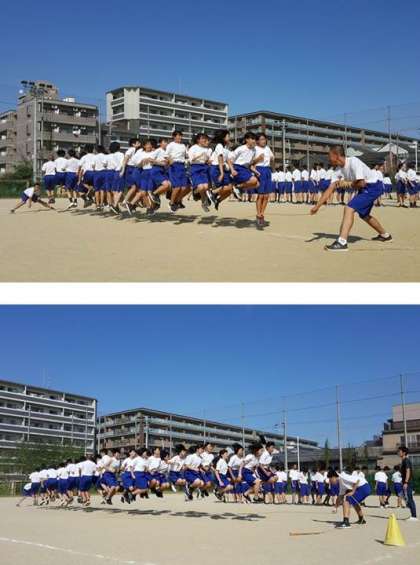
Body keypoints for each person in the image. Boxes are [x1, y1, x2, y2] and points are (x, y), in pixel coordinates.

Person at [311, 145, 392, 251]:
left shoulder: (353, 161)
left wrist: (347, 183)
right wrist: (317, 206)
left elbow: (361, 183)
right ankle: (385, 235)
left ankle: (342, 242)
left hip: (373, 186)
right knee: (364, 215)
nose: (329, 159)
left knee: (349, 208)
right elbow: (330, 189)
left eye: (330, 156)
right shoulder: (337, 171)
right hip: (365, 189)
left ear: (336, 155)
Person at [253, 133, 275, 228]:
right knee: (261, 195)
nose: (263, 141)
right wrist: (258, 159)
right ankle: (258, 214)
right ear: (257, 141)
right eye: (261, 139)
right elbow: (251, 162)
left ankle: (262, 214)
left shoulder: (267, 148)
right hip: (259, 170)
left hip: (267, 170)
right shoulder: (255, 149)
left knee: (266, 196)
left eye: (264, 139)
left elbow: (272, 158)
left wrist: (272, 159)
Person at [398, 445, 417, 520]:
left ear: (404, 452)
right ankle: (412, 513)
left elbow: (408, 471)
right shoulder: (403, 461)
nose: (398, 452)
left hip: (408, 483)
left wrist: (406, 482)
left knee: (410, 498)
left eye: (399, 451)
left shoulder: (406, 460)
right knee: (404, 496)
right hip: (405, 482)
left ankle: (414, 516)